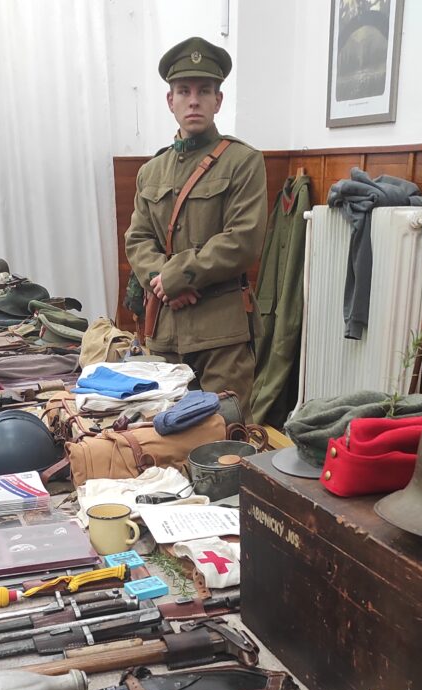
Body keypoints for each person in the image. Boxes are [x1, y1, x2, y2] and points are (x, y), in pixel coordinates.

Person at [125, 36, 267, 420]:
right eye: (184, 91)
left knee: (224, 433)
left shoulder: (243, 162)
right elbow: (137, 239)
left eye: (204, 91)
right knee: (161, 432)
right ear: (170, 100)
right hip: (165, 332)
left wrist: (179, 276)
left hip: (222, 334)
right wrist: (163, 281)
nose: (193, 100)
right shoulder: (151, 172)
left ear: (217, 101)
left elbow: (243, 240)